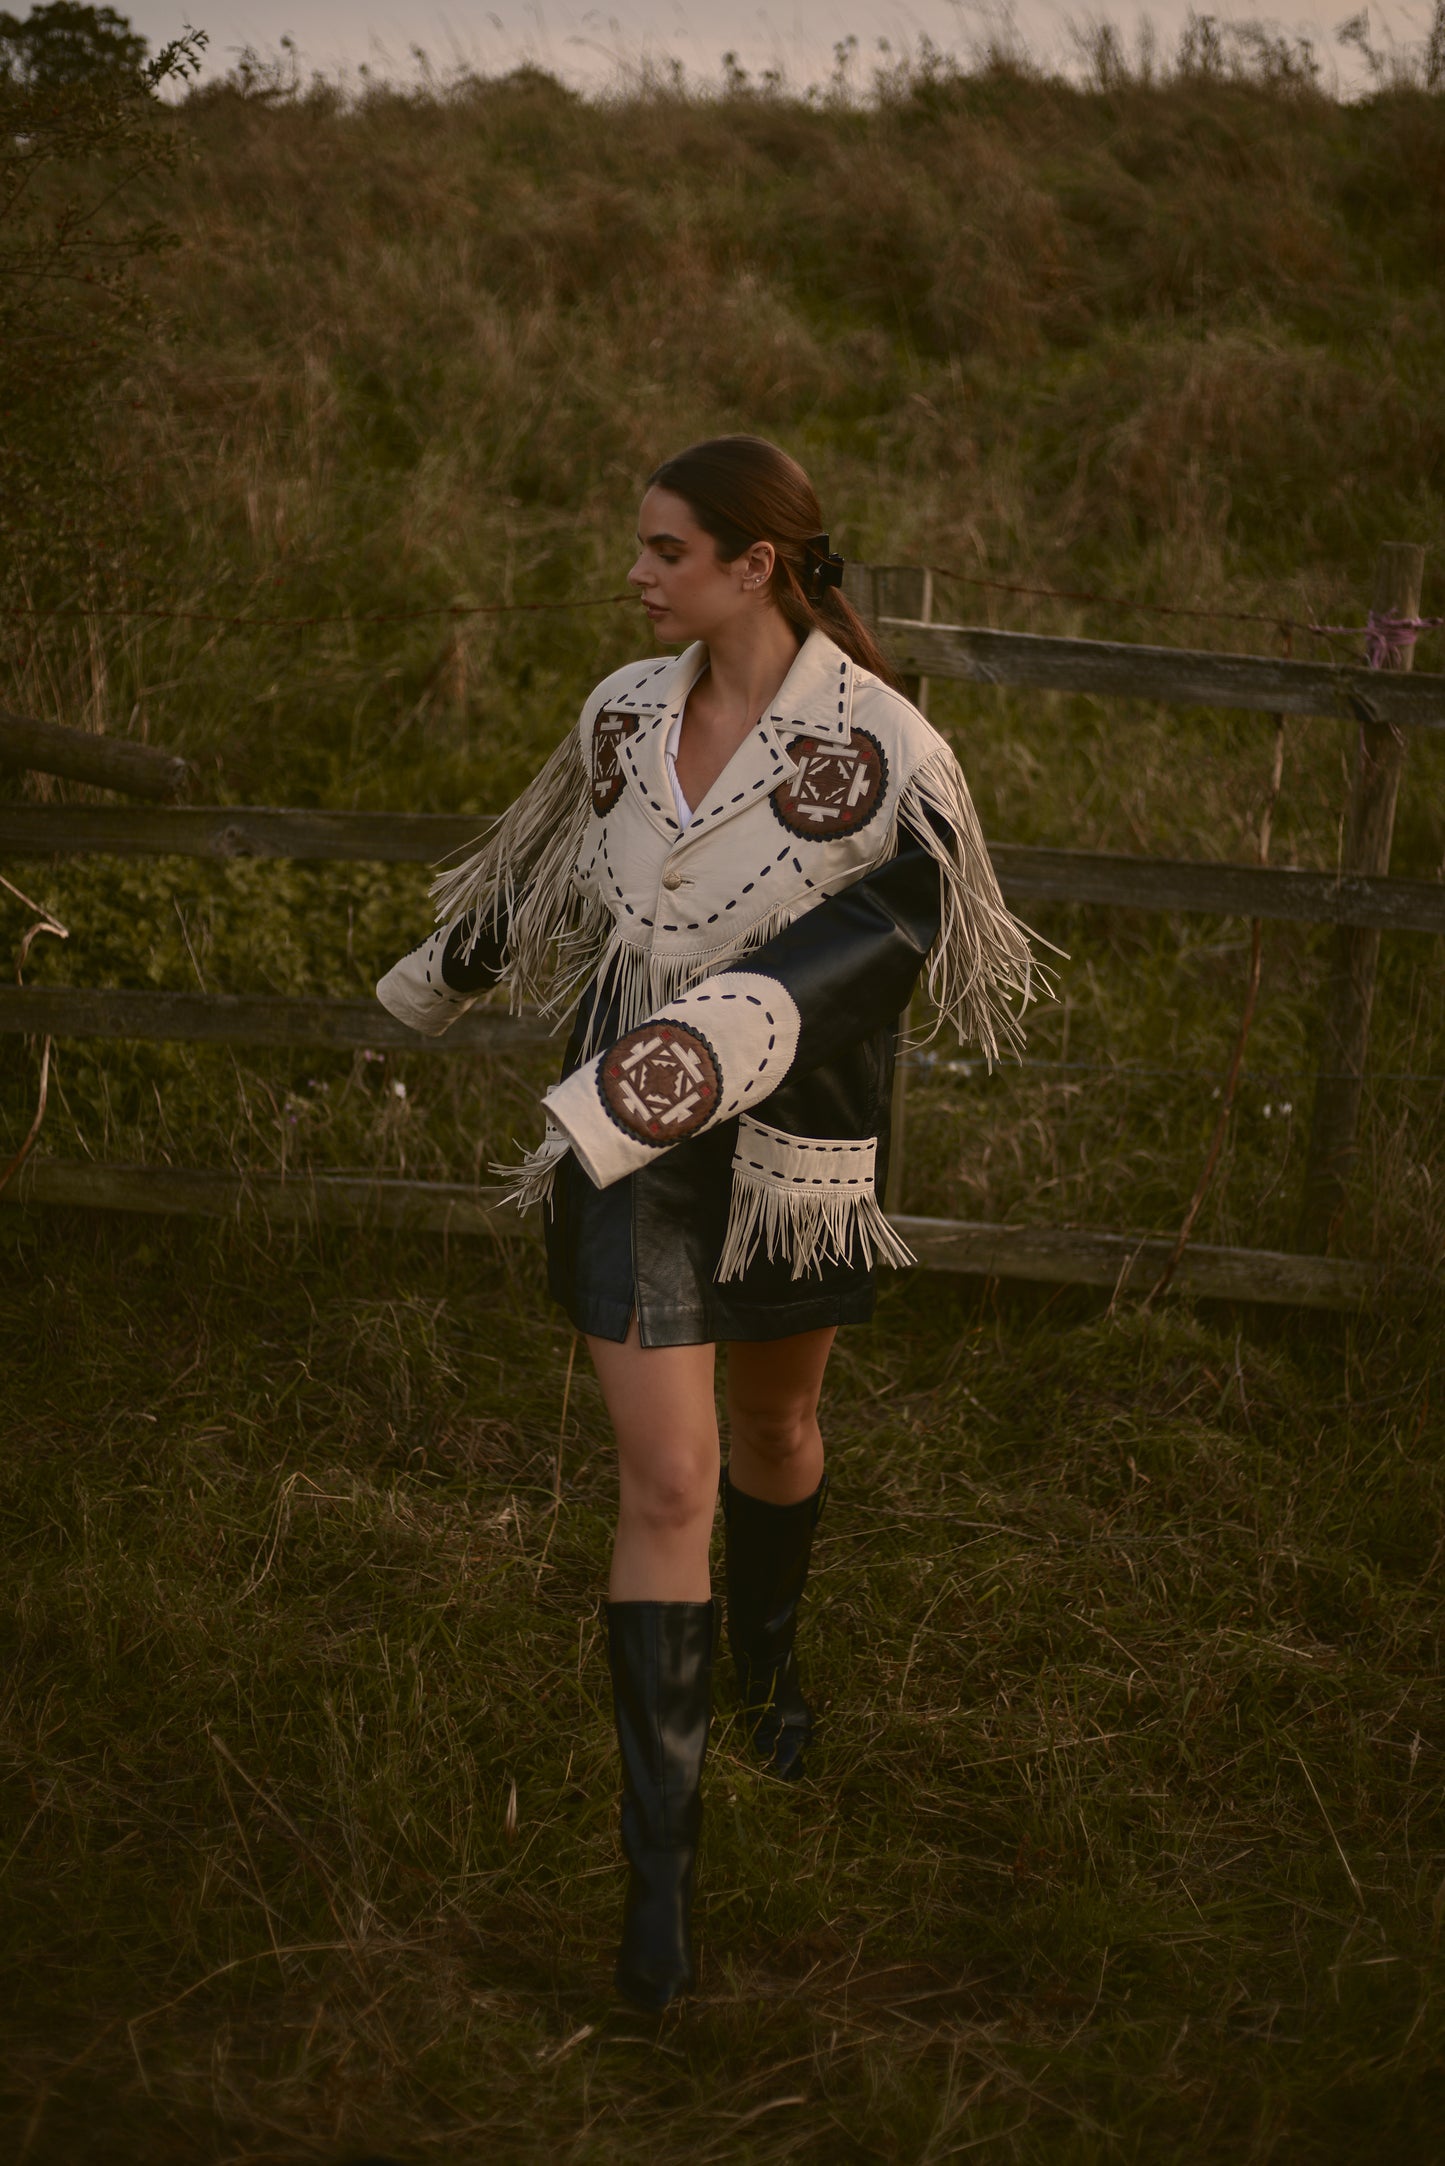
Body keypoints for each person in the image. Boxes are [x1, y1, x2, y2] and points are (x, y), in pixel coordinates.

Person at [378, 435, 1035, 2011]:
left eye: (664, 549)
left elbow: (901, 927)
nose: (636, 573)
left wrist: (741, 1019)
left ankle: (770, 1667)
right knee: (665, 1474)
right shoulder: (620, 706)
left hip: (794, 1132)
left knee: (777, 1426)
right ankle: (658, 1886)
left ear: (756, 564)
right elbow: (556, 857)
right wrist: (446, 966)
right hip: (623, 1119)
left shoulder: (884, 745)